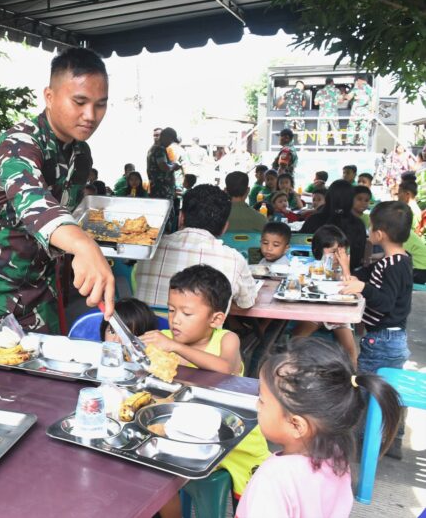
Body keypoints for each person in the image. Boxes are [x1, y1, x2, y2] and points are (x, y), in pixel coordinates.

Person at [0, 48, 115, 333]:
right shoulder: (18, 143)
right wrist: (84, 244)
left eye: (100, 104)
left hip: (37, 289)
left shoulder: (81, 154)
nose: (90, 115)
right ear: (49, 96)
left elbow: (61, 215)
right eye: (80, 102)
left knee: (48, 373)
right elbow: (33, 203)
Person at [140, 265, 270, 509]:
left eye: (186, 314)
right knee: (155, 475)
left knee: (255, 501)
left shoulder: (226, 339)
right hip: (188, 435)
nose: (175, 319)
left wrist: (175, 348)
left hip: (236, 438)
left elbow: (225, 369)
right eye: (170, 310)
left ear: (216, 319)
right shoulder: (164, 339)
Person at [236, 338, 402, 518]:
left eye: (262, 400)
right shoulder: (337, 456)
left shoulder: (274, 478)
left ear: (296, 425)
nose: (257, 405)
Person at [339, 201, 413, 459]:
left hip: (382, 340)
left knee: (365, 391)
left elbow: (385, 301)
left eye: (371, 227)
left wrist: (363, 289)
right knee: (390, 393)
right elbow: (365, 272)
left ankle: (363, 444)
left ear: (379, 234)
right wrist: (350, 272)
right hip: (393, 338)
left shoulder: (391, 265)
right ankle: (392, 441)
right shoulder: (398, 259)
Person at [133, 185, 256, 310]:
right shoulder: (234, 259)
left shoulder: (150, 249)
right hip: (198, 330)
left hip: (143, 327)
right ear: (225, 227)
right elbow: (246, 303)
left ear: (181, 217)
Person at [290, 225, 358, 365]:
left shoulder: (342, 271)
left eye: (341, 252)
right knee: (296, 339)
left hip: (337, 315)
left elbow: (350, 289)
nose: (337, 257)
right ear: (318, 250)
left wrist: (345, 268)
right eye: (333, 252)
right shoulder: (312, 267)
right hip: (315, 313)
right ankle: (291, 366)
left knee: (350, 349)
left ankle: (352, 379)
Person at [301, 180, 367, 269]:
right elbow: (358, 257)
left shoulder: (313, 220)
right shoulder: (358, 225)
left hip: (311, 270)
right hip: (346, 274)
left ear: (327, 197)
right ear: (351, 200)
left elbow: (299, 246)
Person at [147, 127, 181, 232]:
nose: (170, 143)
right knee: (165, 218)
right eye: (171, 140)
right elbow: (163, 167)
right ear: (167, 137)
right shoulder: (159, 149)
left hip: (159, 190)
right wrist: (174, 166)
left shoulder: (154, 148)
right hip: (162, 190)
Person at [343, 74, 374, 146]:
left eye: (357, 81)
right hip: (365, 114)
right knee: (363, 128)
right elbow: (373, 101)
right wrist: (372, 113)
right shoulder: (371, 89)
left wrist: (344, 95)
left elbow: (348, 98)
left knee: (352, 128)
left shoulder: (356, 88)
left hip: (355, 113)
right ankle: (361, 145)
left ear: (360, 80)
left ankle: (349, 144)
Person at [315, 77, 342, 146]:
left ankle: (323, 146)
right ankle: (338, 145)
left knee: (323, 131)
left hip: (323, 114)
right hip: (333, 114)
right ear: (332, 82)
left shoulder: (320, 91)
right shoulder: (336, 90)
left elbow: (316, 103)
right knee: (336, 130)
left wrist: (322, 101)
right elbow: (341, 101)